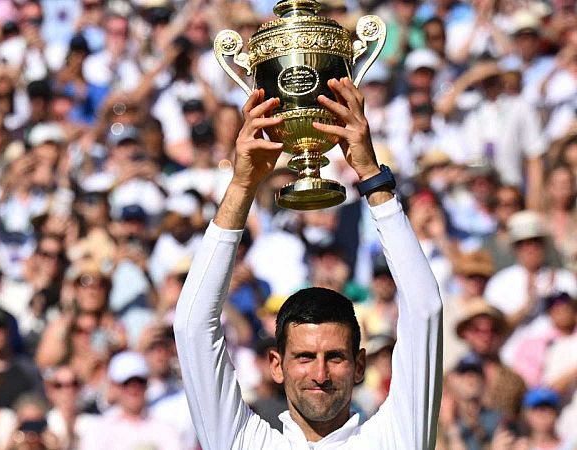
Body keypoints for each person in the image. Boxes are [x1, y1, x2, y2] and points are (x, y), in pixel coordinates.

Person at [173, 79, 442, 448]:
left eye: (334, 357)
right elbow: (192, 327)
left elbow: (425, 310)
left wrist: (369, 174)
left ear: (360, 365)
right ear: (276, 365)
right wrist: (242, 184)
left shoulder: (395, 437)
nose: (320, 374)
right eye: (303, 357)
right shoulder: (243, 442)